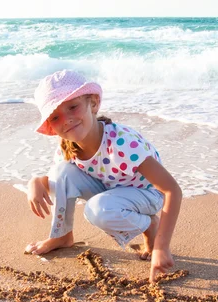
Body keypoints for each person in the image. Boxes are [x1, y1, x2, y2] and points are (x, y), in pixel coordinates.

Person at [25, 70, 182, 283]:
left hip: (147, 195)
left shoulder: (123, 144)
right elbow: (59, 181)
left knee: (97, 210)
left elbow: (171, 190)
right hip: (111, 190)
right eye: (55, 116)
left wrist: (162, 247)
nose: (67, 120)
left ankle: (149, 226)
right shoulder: (68, 147)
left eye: (73, 107)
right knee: (60, 171)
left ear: (93, 103)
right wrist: (35, 182)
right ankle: (62, 235)